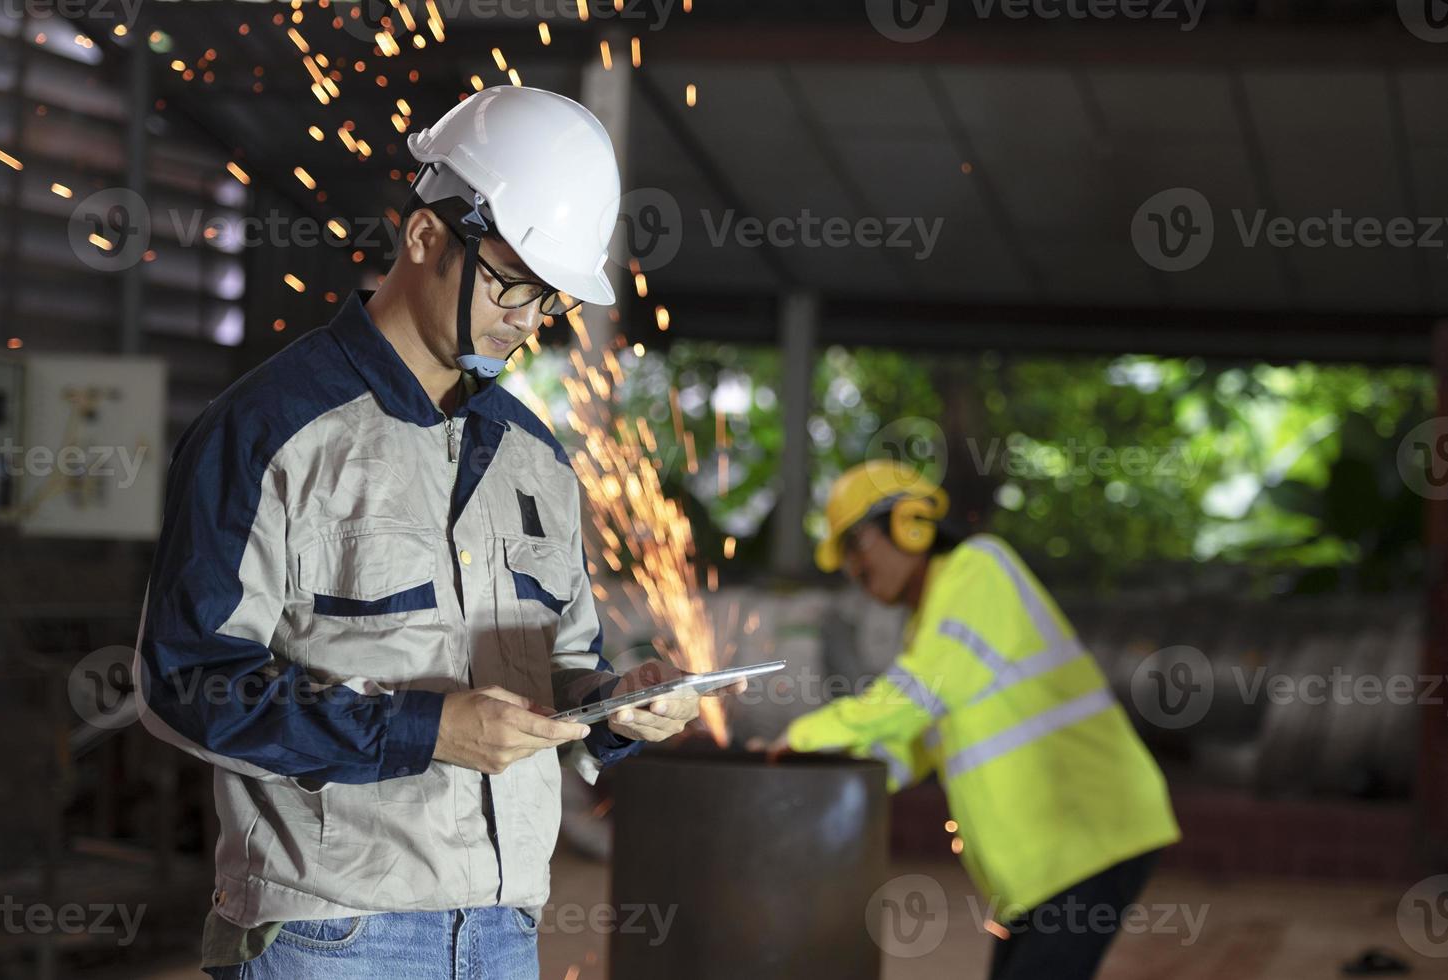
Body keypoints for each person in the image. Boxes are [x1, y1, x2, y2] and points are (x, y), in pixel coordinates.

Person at [133, 85, 741, 979]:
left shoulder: (534, 459)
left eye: (550, 303)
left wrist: (618, 706)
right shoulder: (268, 430)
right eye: (513, 286)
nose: (529, 323)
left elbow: (559, 674)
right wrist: (425, 731)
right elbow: (187, 685)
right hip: (329, 934)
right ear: (424, 237)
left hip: (502, 932)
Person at [764, 460, 1180, 980]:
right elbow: (919, 741)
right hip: (1045, 862)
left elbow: (918, 694)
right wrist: (840, 777)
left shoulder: (979, 569)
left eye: (856, 545)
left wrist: (804, 736)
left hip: (1087, 838)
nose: (853, 568)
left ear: (909, 523)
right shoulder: (930, 620)